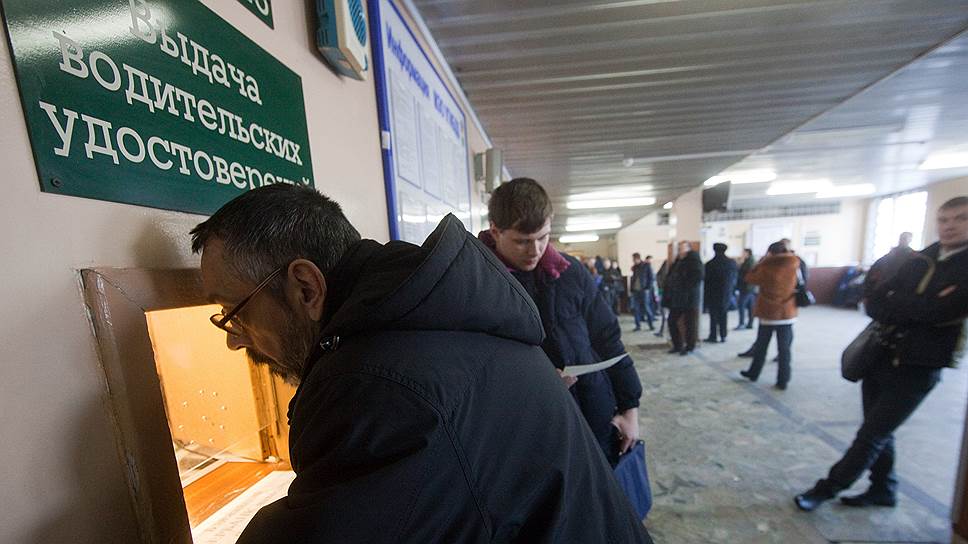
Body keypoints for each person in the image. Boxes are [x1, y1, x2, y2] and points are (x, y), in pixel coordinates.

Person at [192, 184, 653, 543]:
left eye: (235, 313)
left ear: (306, 288)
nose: (235, 340)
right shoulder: (437, 317)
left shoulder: (370, 383)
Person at [795, 197, 968, 512]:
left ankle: (826, 489)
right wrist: (919, 305)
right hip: (881, 354)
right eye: (944, 219)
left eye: (960, 218)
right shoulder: (921, 258)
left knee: (872, 433)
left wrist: (904, 304)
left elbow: (944, 310)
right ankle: (883, 489)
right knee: (878, 429)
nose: (950, 226)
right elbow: (874, 300)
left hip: (919, 364)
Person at [478, 178, 644, 467]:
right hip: (530, 432)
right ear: (495, 231)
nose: (535, 250)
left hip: (594, 413)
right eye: (522, 241)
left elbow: (608, 338)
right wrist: (535, 381)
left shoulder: (570, 272)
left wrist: (630, 408)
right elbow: (474, 367)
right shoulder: (480, 284)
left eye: (543, 237)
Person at [738, 241, 800, 390]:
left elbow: (750, 278)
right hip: (787, 312)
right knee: (784, 349)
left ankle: (754, 373)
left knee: (761, 345)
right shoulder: (795, 264)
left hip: (769, 312)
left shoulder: (767, 266)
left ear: (770, 252)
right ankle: (783, 380)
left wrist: (762, 261)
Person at [665, 241, 704, 355]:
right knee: (672, 321)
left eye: (683, 247)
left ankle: (690, 346)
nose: (681, 250)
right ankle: (677, 345)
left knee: (690, 323)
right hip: (676, 298)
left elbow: (697, 278)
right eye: (680, 248)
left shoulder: (694, 260)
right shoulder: (678, 261)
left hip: (689, 298)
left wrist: (684, 288)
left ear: (688, 248)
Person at [704, 243, 738, 343]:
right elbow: (734, 278)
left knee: (713, 316)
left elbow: (707, 281)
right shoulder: (731, 263)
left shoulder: (710, 264)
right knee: (723, 314)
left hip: (713, 293)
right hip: (726, 293)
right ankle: (723, 335)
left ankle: (713, 336)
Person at [863, 231, 915, 297]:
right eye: (902, 238)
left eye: (905, 238)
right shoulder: (890, 255)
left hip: (899, 289)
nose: (902, 240)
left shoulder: (912, 256)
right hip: (883, 285)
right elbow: (874, 270)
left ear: (910, 240)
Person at [630, 253, 655, 331]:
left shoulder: (646, 266)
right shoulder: (634, 267)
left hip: (644, 290)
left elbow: (651, 277)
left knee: (646, 307)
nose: (633, 261)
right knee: (636, 309)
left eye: (634, 259)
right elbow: (633, 278)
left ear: (638, 258)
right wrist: (631, 289)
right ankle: (638, 326)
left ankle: (651, 324)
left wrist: (648, 287)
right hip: (635, 291)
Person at [734, 249, 756, 330]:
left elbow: (744, 273)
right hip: (750, 287)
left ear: (748, 253)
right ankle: (750, 323)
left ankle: (742, 323)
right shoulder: (751, 261)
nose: (742, 254)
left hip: (746, 287)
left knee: (741, 305)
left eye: (743, 253)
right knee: (750, 306)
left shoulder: (749, 262)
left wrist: (739, 265)